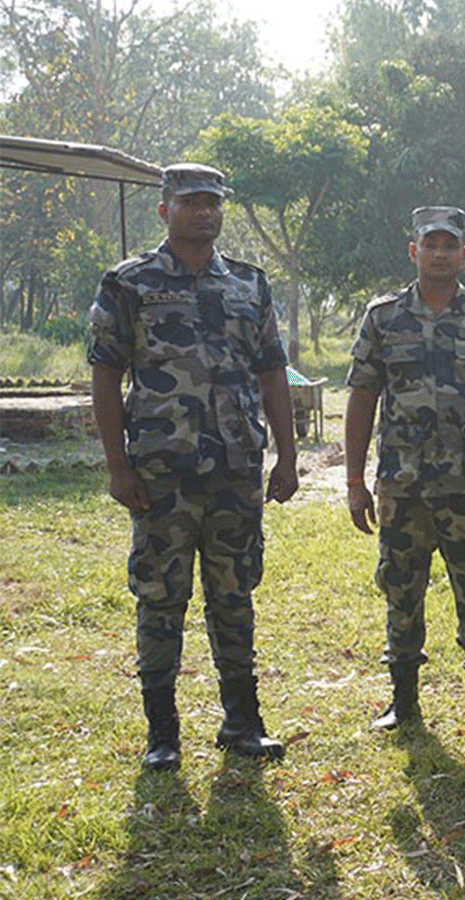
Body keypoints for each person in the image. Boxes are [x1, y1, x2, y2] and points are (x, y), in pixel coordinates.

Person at [88, 163, 299, 771]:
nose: (204, 211)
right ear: (165, 210)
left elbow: (272, 371)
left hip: (235, 469)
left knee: (235, 595)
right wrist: (116, 465)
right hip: (161, 474)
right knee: (160, 598)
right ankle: (163, 733)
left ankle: (242, 721)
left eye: (212, 202)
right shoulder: (130, 284)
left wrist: (286, 455)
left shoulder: (248, 285)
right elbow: (106, 375)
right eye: (191, 202)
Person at [345, 206, 465, 737]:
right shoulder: (383, 317)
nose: (441, 254)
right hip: (402, 483)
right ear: (414, 251)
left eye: (451, 245)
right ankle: (403, 702)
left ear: (464, 254)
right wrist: (355, 482)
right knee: (401, 588)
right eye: (432, 244)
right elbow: (361, 396)